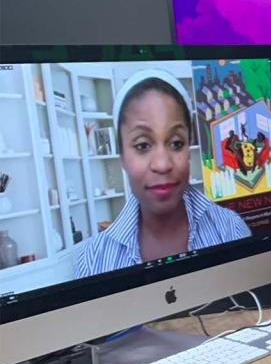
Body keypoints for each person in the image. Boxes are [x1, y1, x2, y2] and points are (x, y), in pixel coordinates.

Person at [75, 70, 250, 278]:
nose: (162, 164)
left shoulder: (231, 231)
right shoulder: (93, 260)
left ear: (188, 150)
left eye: (176, 143)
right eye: (142, 145)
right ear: (122, 156)